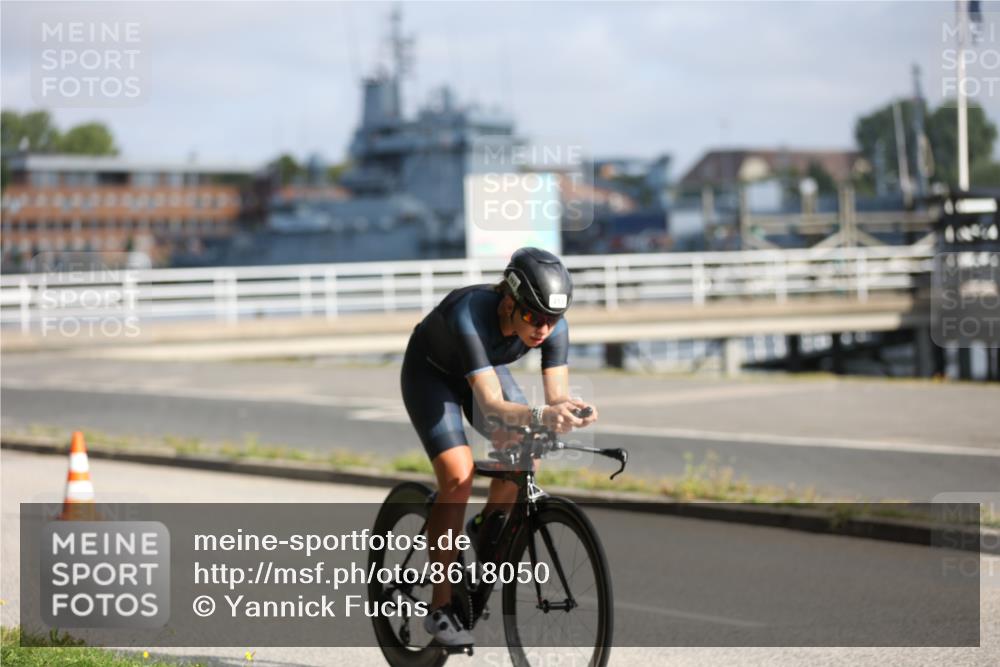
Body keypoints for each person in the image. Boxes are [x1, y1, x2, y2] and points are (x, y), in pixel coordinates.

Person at [400, 246, 598, 647]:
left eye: (552, 319)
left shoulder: (552, 325)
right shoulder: (469, 312)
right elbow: (491, 404)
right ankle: (440, 610)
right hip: (431, 375)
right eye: (532, 316)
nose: (542, 328)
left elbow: (555, 395)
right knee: (458, 477)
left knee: (525, 452)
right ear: (509, 300)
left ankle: (484, 526)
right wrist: (542, 415)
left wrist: (571, 409)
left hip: (483, 372)